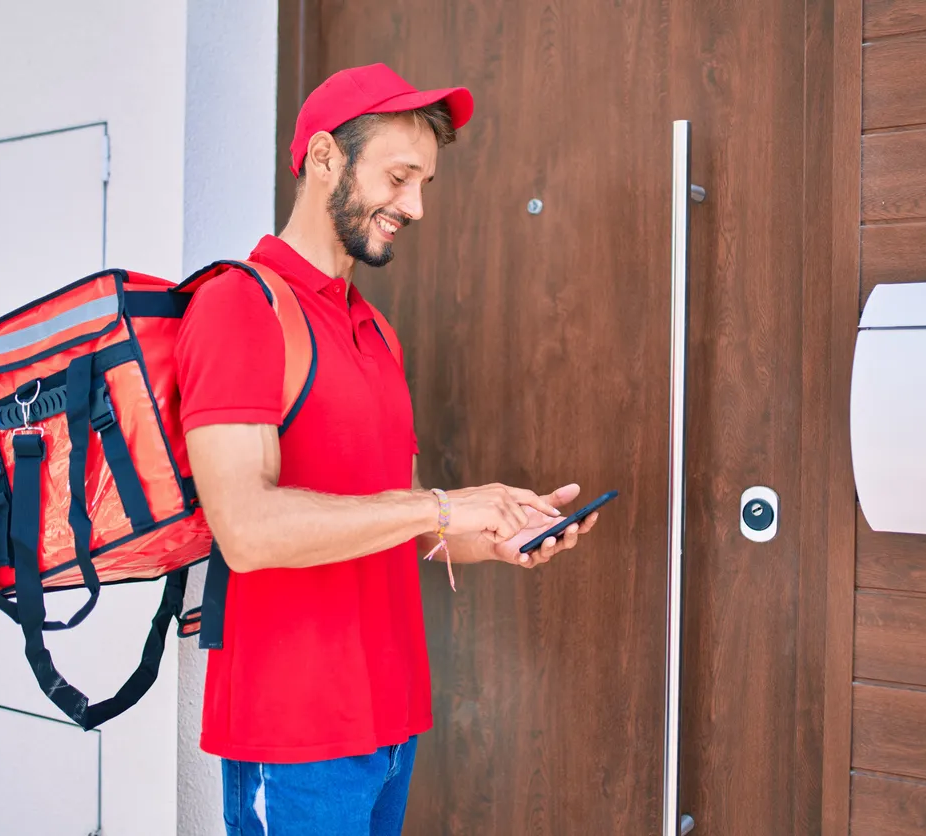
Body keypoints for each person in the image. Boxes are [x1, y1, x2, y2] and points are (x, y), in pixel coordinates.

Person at [175, 63, 600, 836]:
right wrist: (443, 503)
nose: (415, 206)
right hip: (296, 733)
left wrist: (494, 536)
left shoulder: (375, 332)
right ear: (325, 157)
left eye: (424, 183)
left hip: (389, 719)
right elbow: (248, 531)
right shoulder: (240, 306)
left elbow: (396, 528)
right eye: (400, 177)